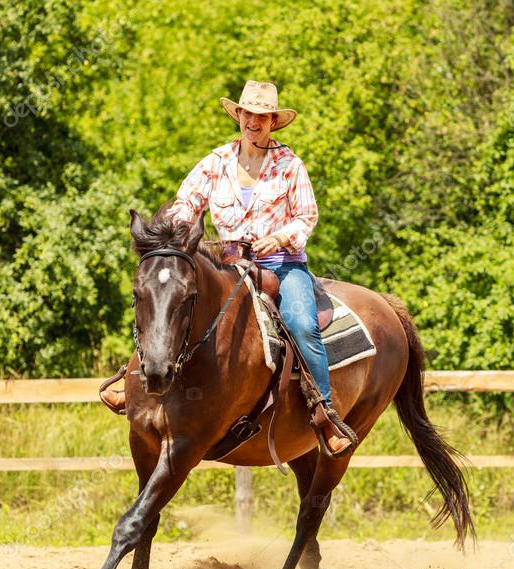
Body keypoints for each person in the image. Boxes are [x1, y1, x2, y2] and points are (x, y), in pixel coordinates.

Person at [102, 80, 355, 456]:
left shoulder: (290, 166)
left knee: (302, 322)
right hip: (226, 259)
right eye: (247, 114)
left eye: (262, 116)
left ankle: (324, 413)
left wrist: (282, 238)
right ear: (239, 115)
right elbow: (187, 200)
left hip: (279, 265)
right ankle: (136, 377)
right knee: (168, 294)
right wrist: (174, 231)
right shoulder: (216, 161)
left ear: (273, 121)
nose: (254, 122)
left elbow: (306, 217)